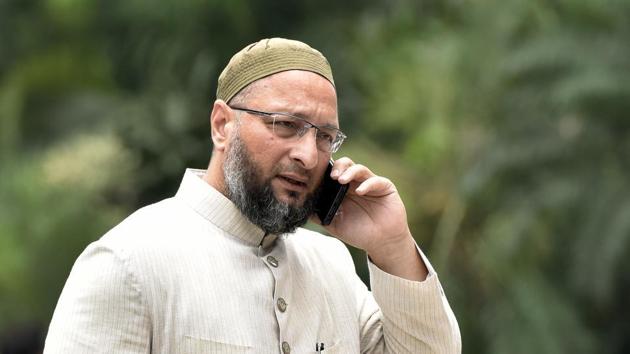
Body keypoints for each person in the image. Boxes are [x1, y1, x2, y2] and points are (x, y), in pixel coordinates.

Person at [44, 38, 461, 353]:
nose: (308, 154)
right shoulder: (129, 262)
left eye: (325, 136)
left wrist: (392, 245)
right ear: (222, 125)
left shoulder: (330, 265)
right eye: (285, 124)